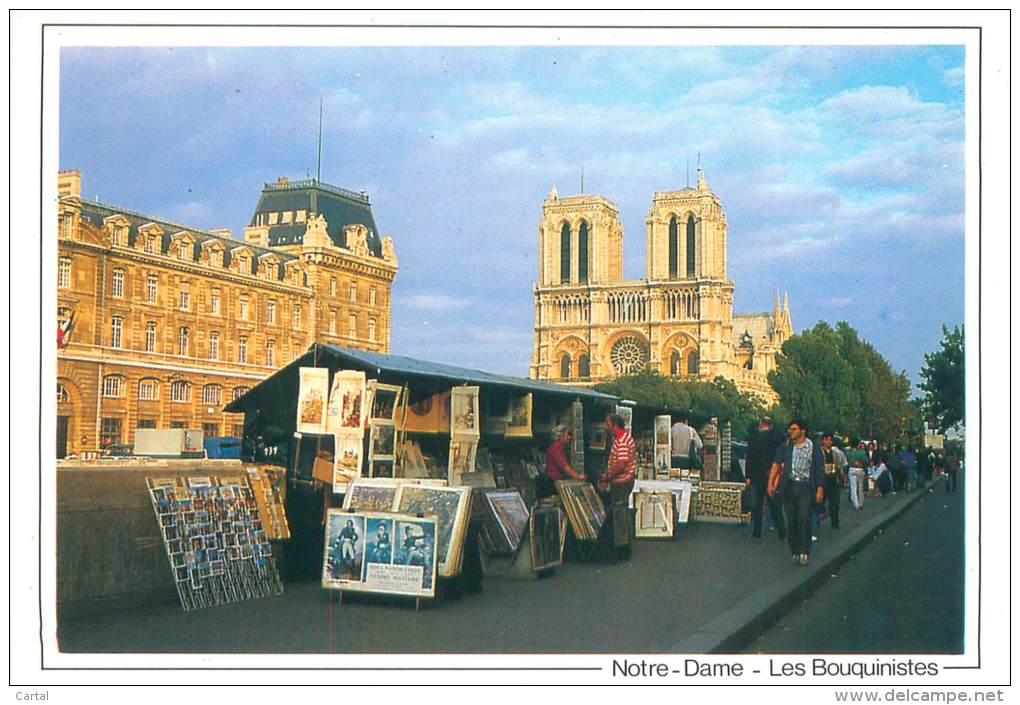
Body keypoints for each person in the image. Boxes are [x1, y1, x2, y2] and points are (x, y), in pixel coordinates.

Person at [767, 418, 825, 566]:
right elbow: (776, 463)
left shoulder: (813, 447)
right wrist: (771, 482)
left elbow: (819, 468)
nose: (790, 432)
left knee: (803, 517)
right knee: (791, 520)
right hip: (789, 486)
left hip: (805, 486)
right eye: (790, 429)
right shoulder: (786, 446)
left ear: (802, 431)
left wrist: (820, 488)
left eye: (794, 429)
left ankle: (805, 551)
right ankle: (794, 550)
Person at [744, 416, 787, 540]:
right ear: (771, 425)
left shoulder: (754, 438)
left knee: (757, 505)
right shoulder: (776, 439)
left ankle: (757, 532)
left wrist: (748, 476)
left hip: (757, 475)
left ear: (761, 424)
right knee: (774, 504)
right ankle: (782, 531)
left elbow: (750, 457)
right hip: (772, 474)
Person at [599, 413, 637, 506]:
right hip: (622, 481)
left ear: (615, 426)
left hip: (622, 483)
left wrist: (608, 477)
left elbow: (621, 463)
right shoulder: (622, 438)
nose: (606, 428)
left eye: (608, 425)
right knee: (619, 510)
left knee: (619, 511)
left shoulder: (622, 441)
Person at [541, 424, 585, 496]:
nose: (569, 437)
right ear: (561, 437)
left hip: (554, 481)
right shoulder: (556, 447)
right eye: (567, 435)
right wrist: (577, 476)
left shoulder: (556, 447)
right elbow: (564, 466)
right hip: (554, 483)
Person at [820, 432, 848, 529]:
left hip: (834, 480)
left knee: (834, 503)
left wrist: (842, 477)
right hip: (822, 481)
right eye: (826, 440)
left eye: (830, 440)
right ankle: (816, 521)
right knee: (820, 502)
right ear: (822, 440)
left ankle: (835, 523)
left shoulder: (836, 453)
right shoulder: (819, 453)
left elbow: (841, 467)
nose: (828, 442)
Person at [846, 439, 868, 510]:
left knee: (853, 487)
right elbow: (865, 461)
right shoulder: (862, 452)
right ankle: (861, 502)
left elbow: (846, 462)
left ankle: (856, 504)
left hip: (851, 469)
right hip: (860, 469)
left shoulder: (848, 452)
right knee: (860, 486)